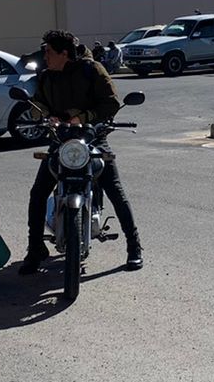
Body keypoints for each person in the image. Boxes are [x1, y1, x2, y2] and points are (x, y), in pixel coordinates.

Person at [19, 30, 142, 273]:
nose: (45, 56)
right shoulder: (46, 76)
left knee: (115, 190)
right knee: (38, 193)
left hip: (93, 137)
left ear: (64, 54)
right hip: (60, 139)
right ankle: (35, 249)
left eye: (49, 52)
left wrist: (83, 118)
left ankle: (134, 246)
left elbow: (111, 103)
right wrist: (43, 114)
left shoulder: (92, 70)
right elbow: (39, 101)